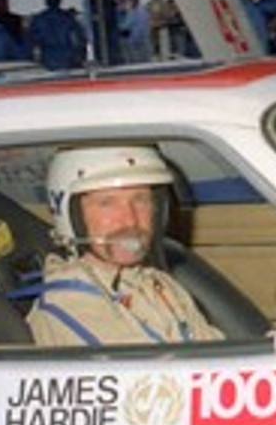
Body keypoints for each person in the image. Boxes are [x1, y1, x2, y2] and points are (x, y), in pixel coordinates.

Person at [27, 145, 224, 346]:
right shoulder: (71, 305)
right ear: (73, 216)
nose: (130, 220)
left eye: (140, 199)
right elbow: (156, 376)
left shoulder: (156, 282)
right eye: (107, 203)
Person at [30, 0, 87, 70]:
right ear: (60, 0)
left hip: (48, 61)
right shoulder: (68, 18)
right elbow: (80, 39)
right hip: (67, 60)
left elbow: (32, 42)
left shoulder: (38, 20)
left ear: (46, 1)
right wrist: (80, 56)